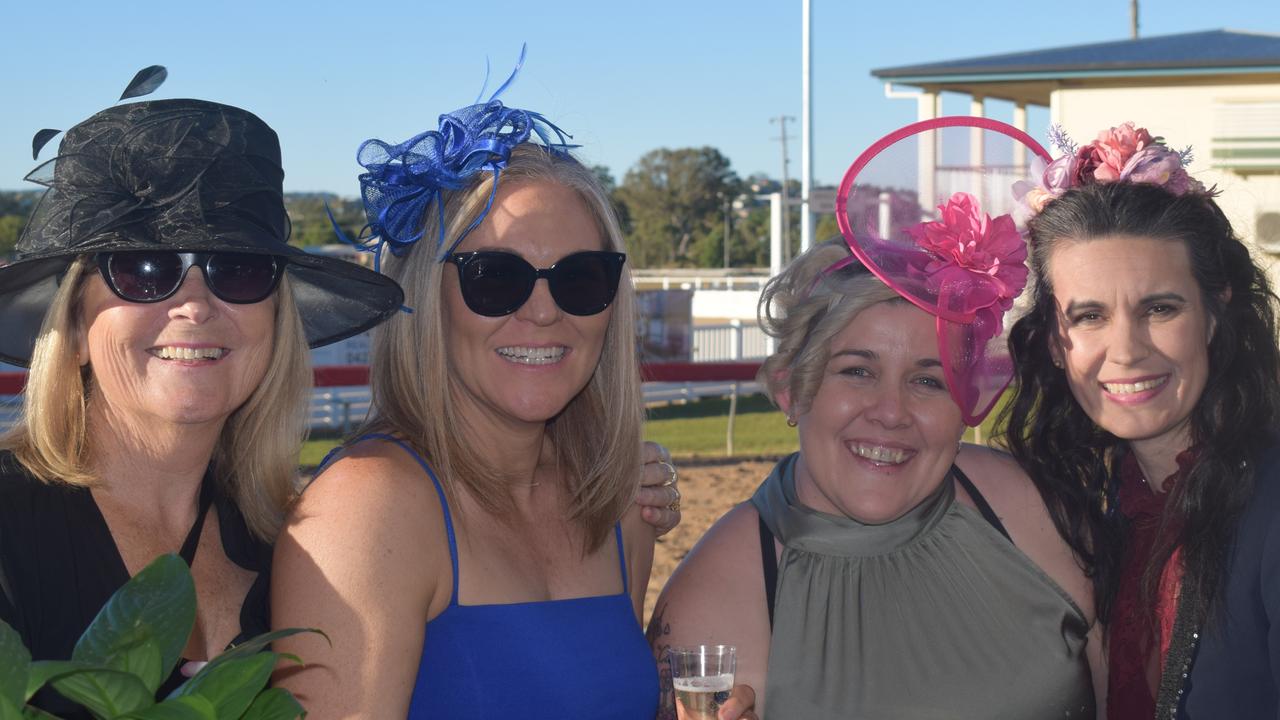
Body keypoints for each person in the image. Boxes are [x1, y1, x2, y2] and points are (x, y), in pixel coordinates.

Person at [270, 81, 721, 719]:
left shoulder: (617, 508)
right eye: (495, 277)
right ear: (424, 298)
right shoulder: (370, 508)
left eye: (581, 278)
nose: (543, 311)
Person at [650, 119, 1103, 719]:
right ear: (791, 387)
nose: (891, 413)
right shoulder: (720, 593)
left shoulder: (1030, 511)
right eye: (857, 371)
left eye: (927, 380)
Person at [0, 83, 405, 716]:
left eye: (238, 269)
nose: (193, 304)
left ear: (275, 323)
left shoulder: (303, 546)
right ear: (75, 328)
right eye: (143, 268)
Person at [1002, 122, 1280, 718]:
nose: (1125, 351)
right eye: (1090, 316)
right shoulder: (1098, 510)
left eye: (1160, 308)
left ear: (1213, 313)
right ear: (1054, 341)